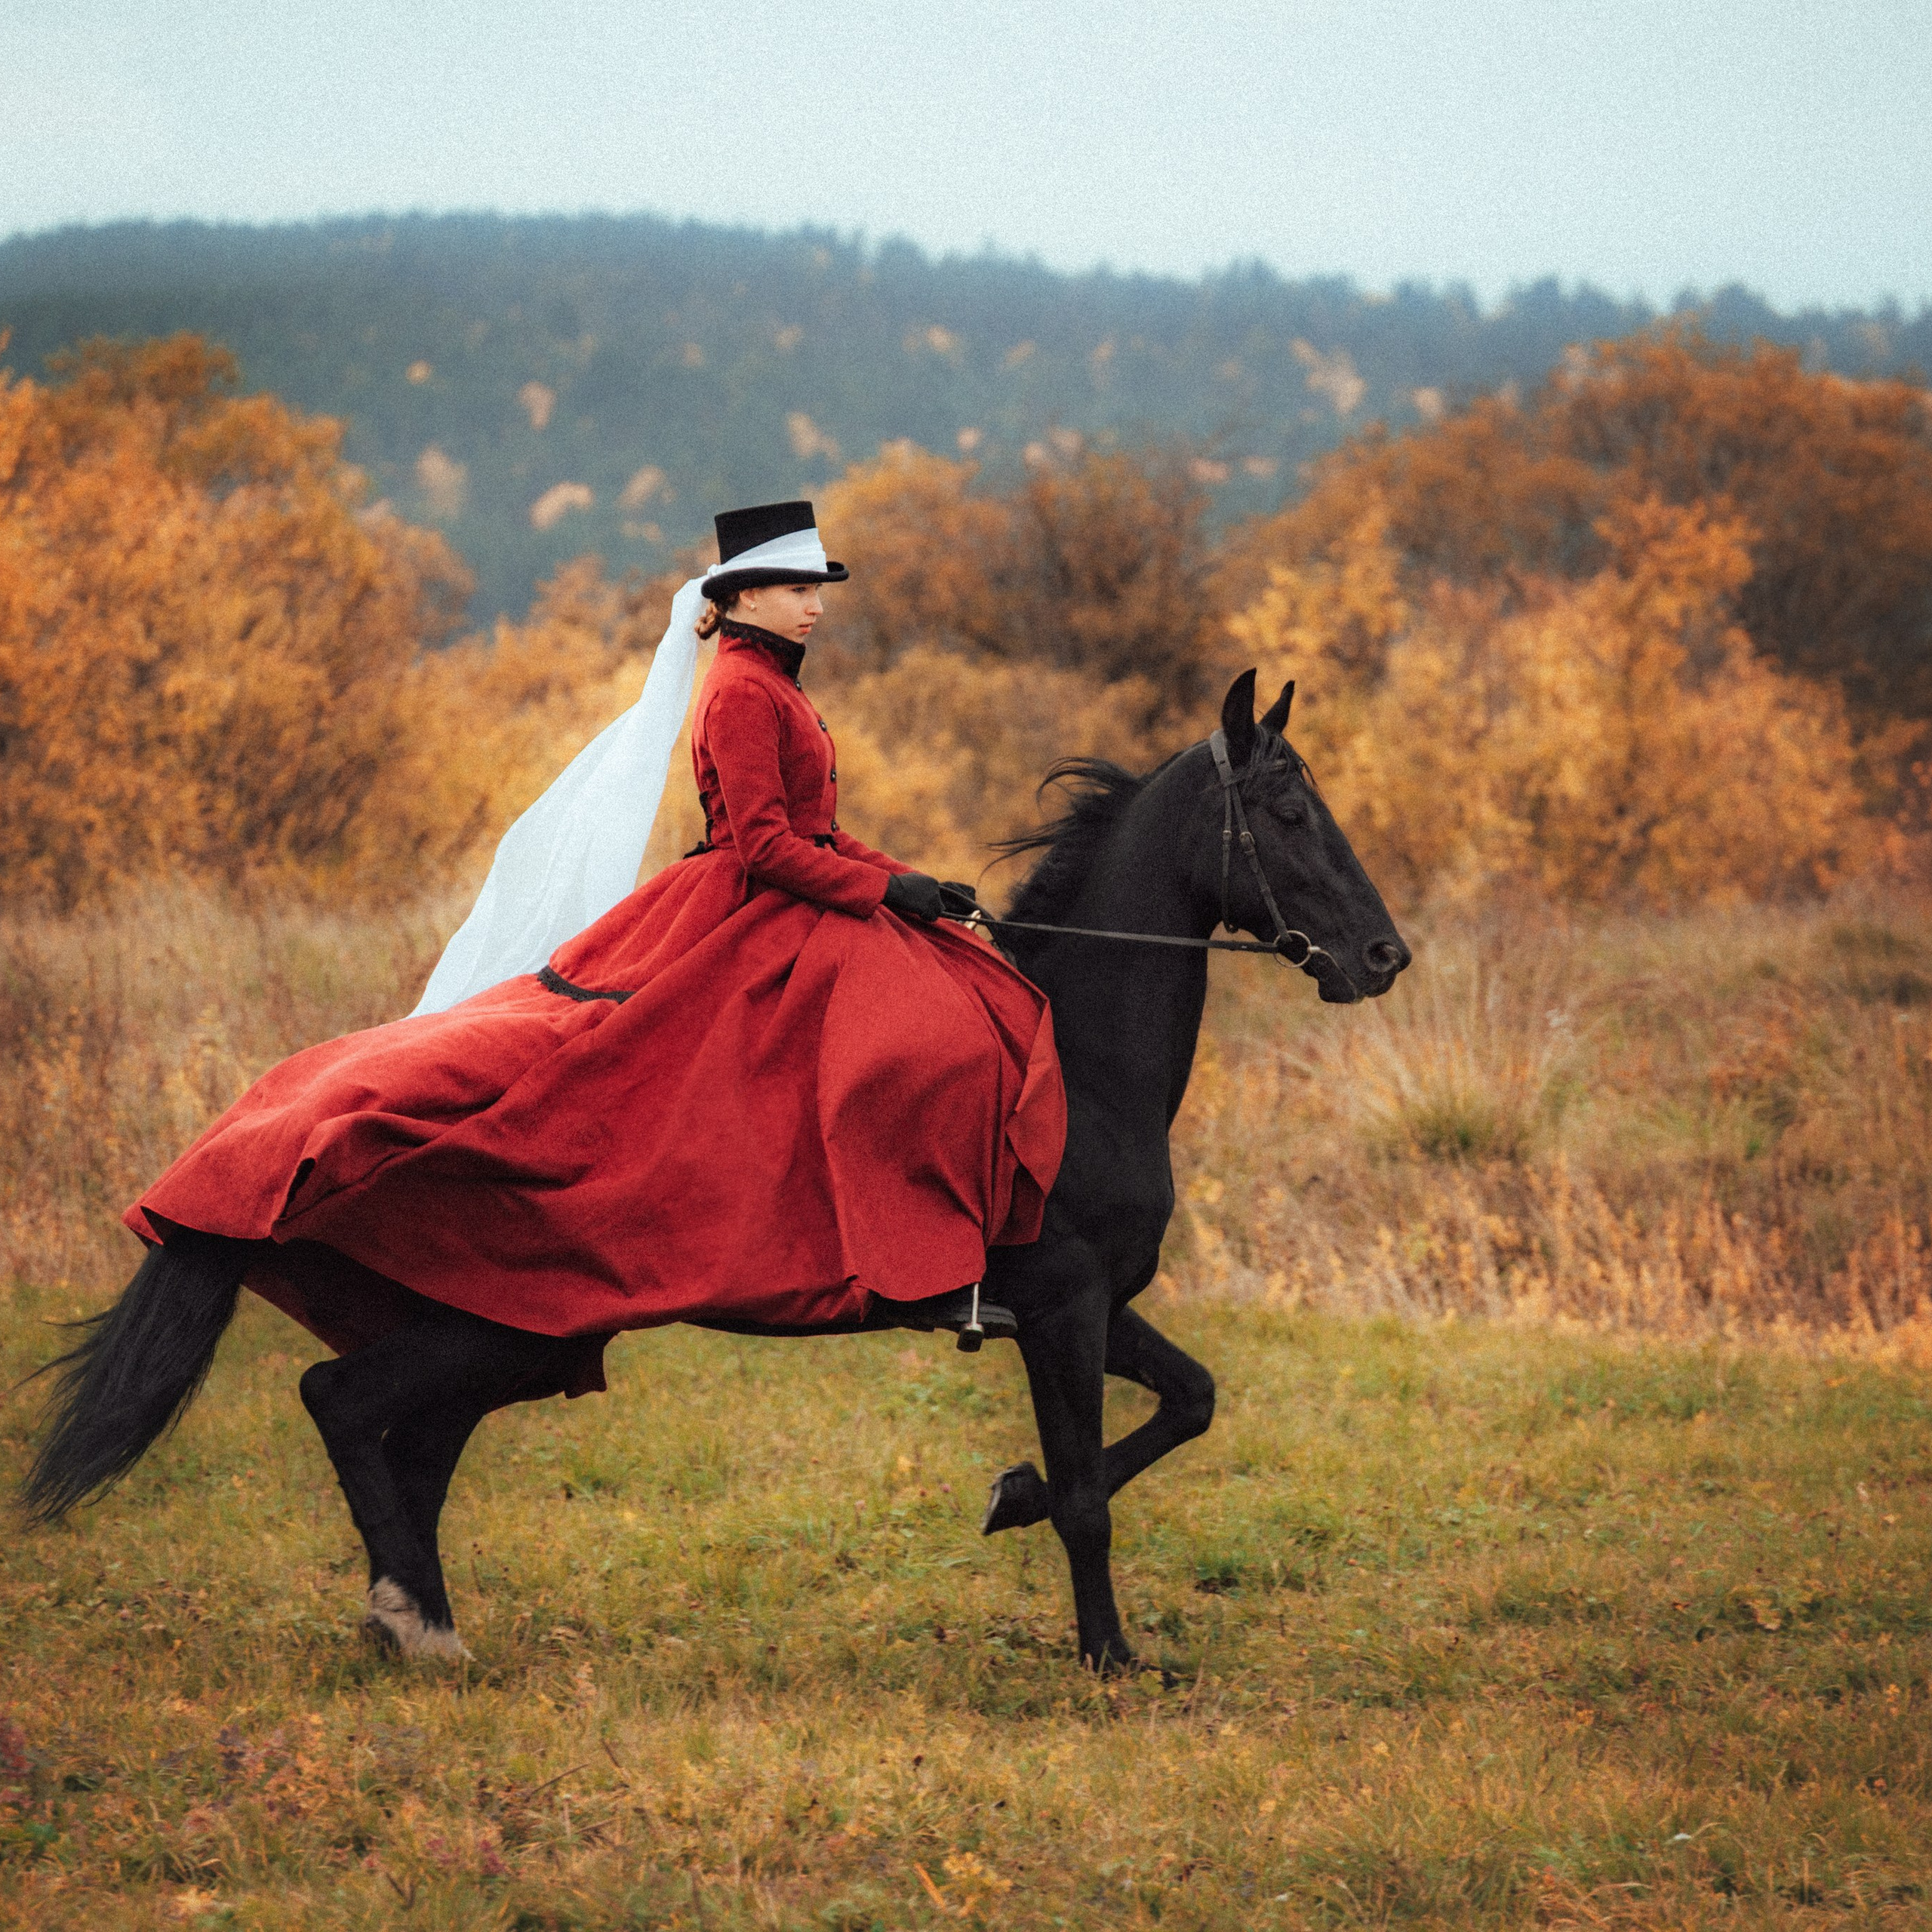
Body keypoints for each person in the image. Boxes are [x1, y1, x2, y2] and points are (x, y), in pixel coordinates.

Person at [126, 501, 1066, 1392]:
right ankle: (915, 1267)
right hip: (746, 907)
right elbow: (766, 845)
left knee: (956, 1004)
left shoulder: (773, 681)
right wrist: (879, 891)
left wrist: (912, 883)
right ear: (738, 598)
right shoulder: (741, 688)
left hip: (794, 896)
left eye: (818, 589)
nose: (815, 605)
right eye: (795, 588)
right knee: (922, 1040)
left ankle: (946, 1259)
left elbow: (815, 829)